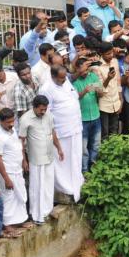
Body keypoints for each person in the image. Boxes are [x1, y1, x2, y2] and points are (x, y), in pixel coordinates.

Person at [40, 66, 83, 202]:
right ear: (53, 76)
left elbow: (74, 97)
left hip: (75, 128)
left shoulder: (65, 82)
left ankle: (77, 182)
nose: (64, 80)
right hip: (61, 132)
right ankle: (65, 187)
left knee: (75, 156)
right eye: (61, 78)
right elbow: (46, 113)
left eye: (65, 77)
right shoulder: (46, 89)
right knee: (63, 160)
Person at [19, 96, 63, 224]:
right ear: (35, 107)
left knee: (48, 184)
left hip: (49, 156)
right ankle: (37, 215)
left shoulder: (48, 115)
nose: (43, 112)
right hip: (36, 159)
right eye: (41, 109)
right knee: (37, 186)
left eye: (45, 109)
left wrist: (59, 148)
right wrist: (24, 160)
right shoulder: (25, 119)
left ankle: (48, 210)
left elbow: (52, 133)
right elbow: (21, 141)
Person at [0, 108, 30, 234]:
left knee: (20, 194)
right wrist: (6, 178)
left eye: (12, 120)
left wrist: (24, 160)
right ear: (0, 121)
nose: (11, 124)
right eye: (8, 122)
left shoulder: (12, 129)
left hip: (17, 169)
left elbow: (19, 145)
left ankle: (21, 220)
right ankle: (7, 224)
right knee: (8, 197)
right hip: (7, 172)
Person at [91, 42, 122, 140]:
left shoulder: (115, 61)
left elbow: (118, 81)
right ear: (101, 54)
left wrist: (120, 99)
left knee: (115, 131)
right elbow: (99, 89)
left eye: (111, 53)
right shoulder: (96, 67)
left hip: (116, 102)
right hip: (104, 104)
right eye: (108, 54)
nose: (111, 55)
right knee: (104, 133)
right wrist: (108, 78)